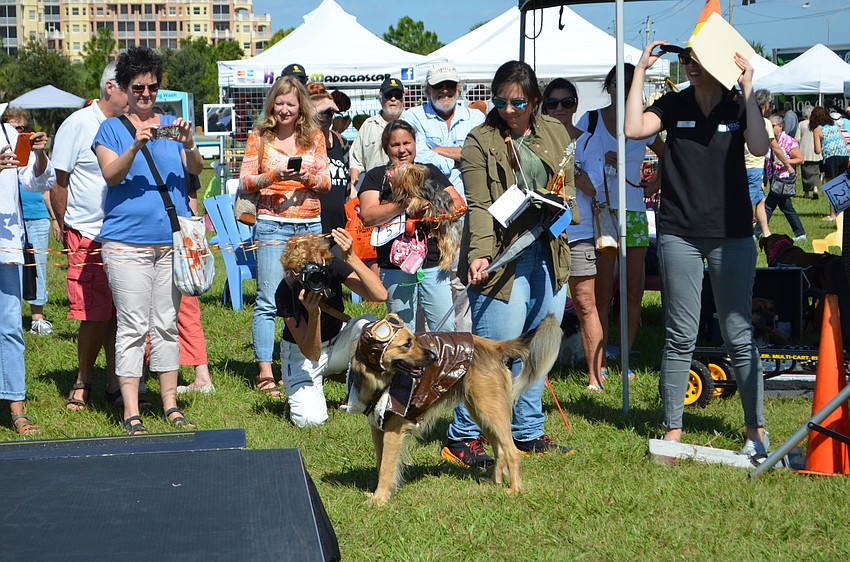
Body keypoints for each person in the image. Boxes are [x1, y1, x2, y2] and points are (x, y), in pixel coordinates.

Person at [625, 41, 770, 455]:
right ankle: (673, 429)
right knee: (679, 334)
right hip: (679, 233)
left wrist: (746, 89)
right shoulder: (673, 105)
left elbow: (760, 147)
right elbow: (633, 129)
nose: (690, 66)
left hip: (734, 233)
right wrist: (640, 71)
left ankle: (755, 428)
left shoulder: (737, 104)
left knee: (738, 333)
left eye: (699, 59)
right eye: (686, 59)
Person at [445, 60, 575, 468]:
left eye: (518, 102)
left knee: (538, 345)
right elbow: (480, 204)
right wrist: (481, 253)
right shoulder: (478, 139)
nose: (509, 109)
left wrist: (562, 200)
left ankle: (528, 430)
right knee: (492, 354)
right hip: (502, 256)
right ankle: (463, 437)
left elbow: (566, 179)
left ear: (535, 100)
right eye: (501, 101)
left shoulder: (554, 131)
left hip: (548, 249)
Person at [93, 46, 204, 434]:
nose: (146, 94)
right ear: (123, 88)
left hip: (169, 243)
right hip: (126, 243)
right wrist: (137, 143)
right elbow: (112, 175)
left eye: (153, 87)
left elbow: (196, 170)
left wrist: (189, 143)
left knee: (166, 324)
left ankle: (170, 404)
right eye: (138, 87)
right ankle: (131, 407)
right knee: (133, 325)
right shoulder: (110, 128)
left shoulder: (172, 124)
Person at [238, 76, 331, 399]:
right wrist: (274, 175)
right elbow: (246, 181)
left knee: (308, 294)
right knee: (267, 299)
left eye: (291, 103)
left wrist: (308, 177)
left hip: (309, 224)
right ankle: (266, 371)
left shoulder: (315, 137)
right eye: (279, 103)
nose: (284, 109)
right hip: (272, 223)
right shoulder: (259, 137)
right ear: (271, 105)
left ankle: (304, 360)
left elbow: (326, 183)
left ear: (301, 107)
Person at [580, 64, 664, 382]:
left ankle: (625, 359)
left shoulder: (644, 123)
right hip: (601, 212)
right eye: (618, 83)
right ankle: (599, 362)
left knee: (634, 289)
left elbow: (666, 153)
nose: (624, 88)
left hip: (634, 213)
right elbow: (572, 158)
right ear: (609, 86)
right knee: (603, 292)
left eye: (631, 83)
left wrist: (656, 181)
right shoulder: (590, 119)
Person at [51, 62, 127, 411]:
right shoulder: (78, 124)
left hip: (125, 233)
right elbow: (60, 181)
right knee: (94, 315)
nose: (137, 96)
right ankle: (83, 380)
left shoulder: (128, 125)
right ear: (110, 87)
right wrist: (64, 225)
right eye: (130, 87)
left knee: (121, 313)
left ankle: (116, 381)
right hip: (88, 233)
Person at [401, 62, 484, 332]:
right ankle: (428, 347)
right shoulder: (413, 117)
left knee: (462, 282)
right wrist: (460, 156)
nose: (445, 90)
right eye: (438, 86)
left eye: (450, 85)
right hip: (429, 215)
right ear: (427, 89)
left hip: (467, 212)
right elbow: (421, 160)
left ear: (459, 88)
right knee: (430, 283)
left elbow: (480, 154)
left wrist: (439, 150)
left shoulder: (475, 118)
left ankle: (461, 347)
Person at [275, 229, 387, 427]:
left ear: (325, 259)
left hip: (337, 344)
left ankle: (361, 393)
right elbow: (312, 354)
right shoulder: (285, 291)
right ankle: (298, 391)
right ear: (293, 272)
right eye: (306, 271)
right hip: (303, 358)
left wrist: (351, 257)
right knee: (311, 421)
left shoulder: (331, 266)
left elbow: (379, 296)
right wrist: (314, 314)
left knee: (367, 325)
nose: (315, 276)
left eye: (318, 267)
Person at [358, 120, 460, 332]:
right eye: (395, 145)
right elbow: (367, 215)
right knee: (402, 328)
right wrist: (404, 205)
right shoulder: (377, 177)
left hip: (433, 260)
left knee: (445, 326)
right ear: (386, 148)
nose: (402, 150)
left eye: (407, 143)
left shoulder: (429, 171)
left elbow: (459, 204)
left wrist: (433, 210)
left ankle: (441, 364)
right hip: (394, 262)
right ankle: (408, 366)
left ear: (415, 143)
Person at [542, 78, 605, 391]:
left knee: (584, 304)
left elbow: (593, 187)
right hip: (544, 234)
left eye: (566, 102)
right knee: (543, 307)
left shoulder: (589, 141)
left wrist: (566, 164)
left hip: (578, 233)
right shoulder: (535, 140)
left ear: (575, 106)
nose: (559, 109)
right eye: (552, 103)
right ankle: (538, 374)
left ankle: (596, 377)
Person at [0, 108, 55, 434]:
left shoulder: (9, 135)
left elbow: (37, 182)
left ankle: (16, 408)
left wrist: (39, 154)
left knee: (9, 328)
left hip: (6, 248)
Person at [3, 108, 56, 336]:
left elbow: (40, 183)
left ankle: (37, 316)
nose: (18, 133)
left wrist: (41, 154)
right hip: (10, 227)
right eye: (13, 128)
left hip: (22, 225)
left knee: (36, 267)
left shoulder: (23, 152)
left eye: (22, 129)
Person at [306, 82, 348, 243]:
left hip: (339, 229)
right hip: (313, 227)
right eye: (320, 113)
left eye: (330, 113)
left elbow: (348, 186)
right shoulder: (303, 144)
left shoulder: (341, 142)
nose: (325, 117)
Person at [349, 77, 405, 197]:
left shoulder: (412, 122)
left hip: (405, 186)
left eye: (397, 95)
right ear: (381, 98)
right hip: (374, 189)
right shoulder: (368, 125)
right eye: (388, 95)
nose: (393, 99)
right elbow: (355, 158)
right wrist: (353, 183)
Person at [760, 115, 805, 240]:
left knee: (768, 207)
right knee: (787, 208)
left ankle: (756, 233)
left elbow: (801, 159)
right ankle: (801, 233)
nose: (770, 127)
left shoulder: (788, 141)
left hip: (783, 178)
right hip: (773, 177)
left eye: (772, 125)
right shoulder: (771, 140)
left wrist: (786, 162)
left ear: (780, 126)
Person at [810, 105, 850, 218]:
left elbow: (817, 150)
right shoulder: (834, 125)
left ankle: (832, 215)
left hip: (831, 157)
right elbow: (844, 141)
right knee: (842, 185)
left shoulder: (817, 129)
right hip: (844, 155)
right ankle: (842, 214)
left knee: (832, 185)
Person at [747, 89, 775, 239]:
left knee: (760, 201)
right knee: (747, 203)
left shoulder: (744, 120)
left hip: (744, 166)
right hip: (755, 168)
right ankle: (742, 232)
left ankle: (766, 233)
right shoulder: (765, 123)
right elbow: (774, 145)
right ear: (765, 105)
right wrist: (788, 165)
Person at [796, 105, 822, 199]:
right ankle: (815, 189)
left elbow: (797, 139)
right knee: (816, 172)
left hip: (804, 152)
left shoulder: (801, 124)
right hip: (816, 152)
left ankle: (806, 193)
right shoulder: (817, 124)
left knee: (805, 174)